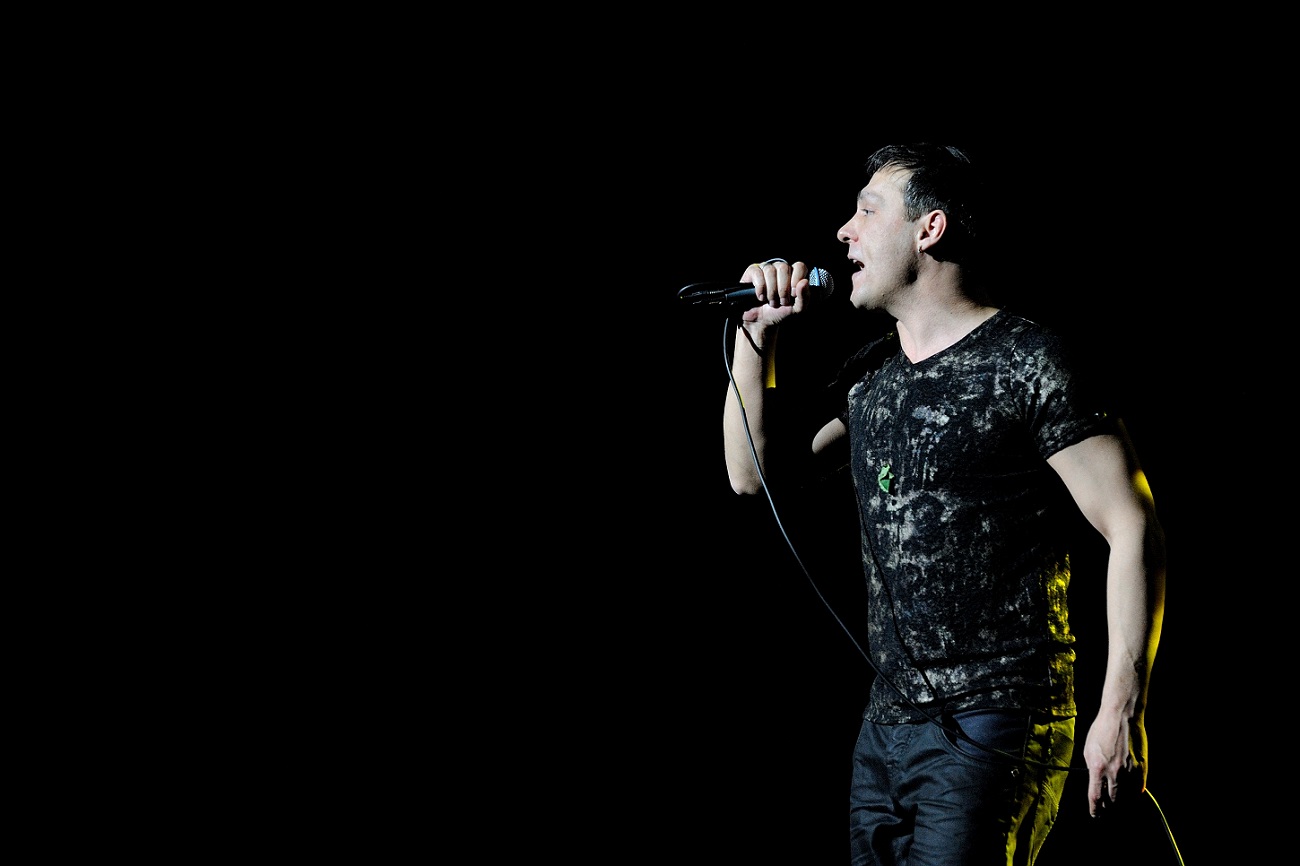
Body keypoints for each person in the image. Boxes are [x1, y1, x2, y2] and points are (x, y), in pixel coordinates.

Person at [719, 144, 1166, 865]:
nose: (843, 231)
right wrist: (754, 338)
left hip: (997, 717)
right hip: (887, 727)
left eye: (868, 211)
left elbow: (1132, 525)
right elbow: (751, 476)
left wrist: (1121, 707)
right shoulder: (871, 377)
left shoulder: (1024, 360)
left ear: (930, 229)